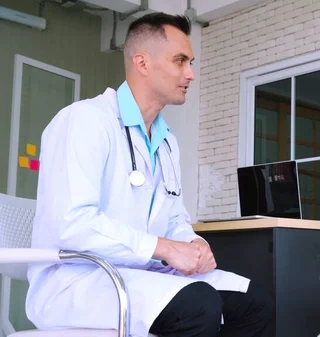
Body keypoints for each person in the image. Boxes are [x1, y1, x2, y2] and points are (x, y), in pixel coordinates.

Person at [26, 12, 272, 337]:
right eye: (180, 61)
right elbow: (71, 223)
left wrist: (193, 244)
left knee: (254, 302)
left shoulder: (166, 141)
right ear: (143, 63)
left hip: (141, 275)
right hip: (79, 280)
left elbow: (174, 219)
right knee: (198, 305)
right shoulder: (84, 121)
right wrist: (165, 248)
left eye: (191, 62)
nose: (191, 74)